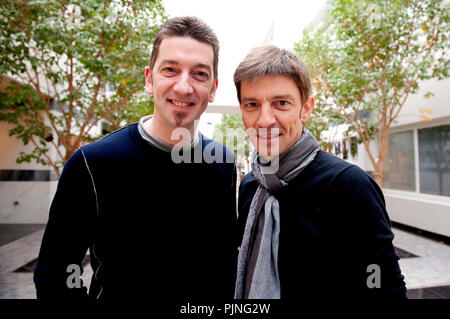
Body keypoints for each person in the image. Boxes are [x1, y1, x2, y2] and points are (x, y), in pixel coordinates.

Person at [34, 16, 238, 302]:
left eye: (199, 74)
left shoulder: (223, 162)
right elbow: (55, 272)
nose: (183, 86)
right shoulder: (92, 164)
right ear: (148, 79)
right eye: (170, 69)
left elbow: (225, 262)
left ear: (213, 88)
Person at [233, 45, 407, 299]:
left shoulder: (348, 184)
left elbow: (382, 282)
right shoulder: (250, 186)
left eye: (281, 103)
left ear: (306, 108)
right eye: (252, 104)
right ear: (242, 111)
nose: (265, 119)